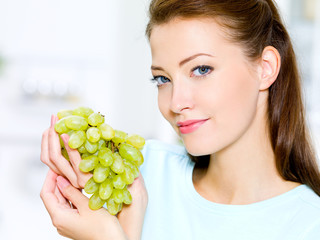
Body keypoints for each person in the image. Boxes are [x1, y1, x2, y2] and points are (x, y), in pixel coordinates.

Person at [40, 0, 320, 239]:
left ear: (265, 68)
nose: (175, 103)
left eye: (201, 69)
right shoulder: (138, 173)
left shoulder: (309, 225)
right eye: (162, 79)